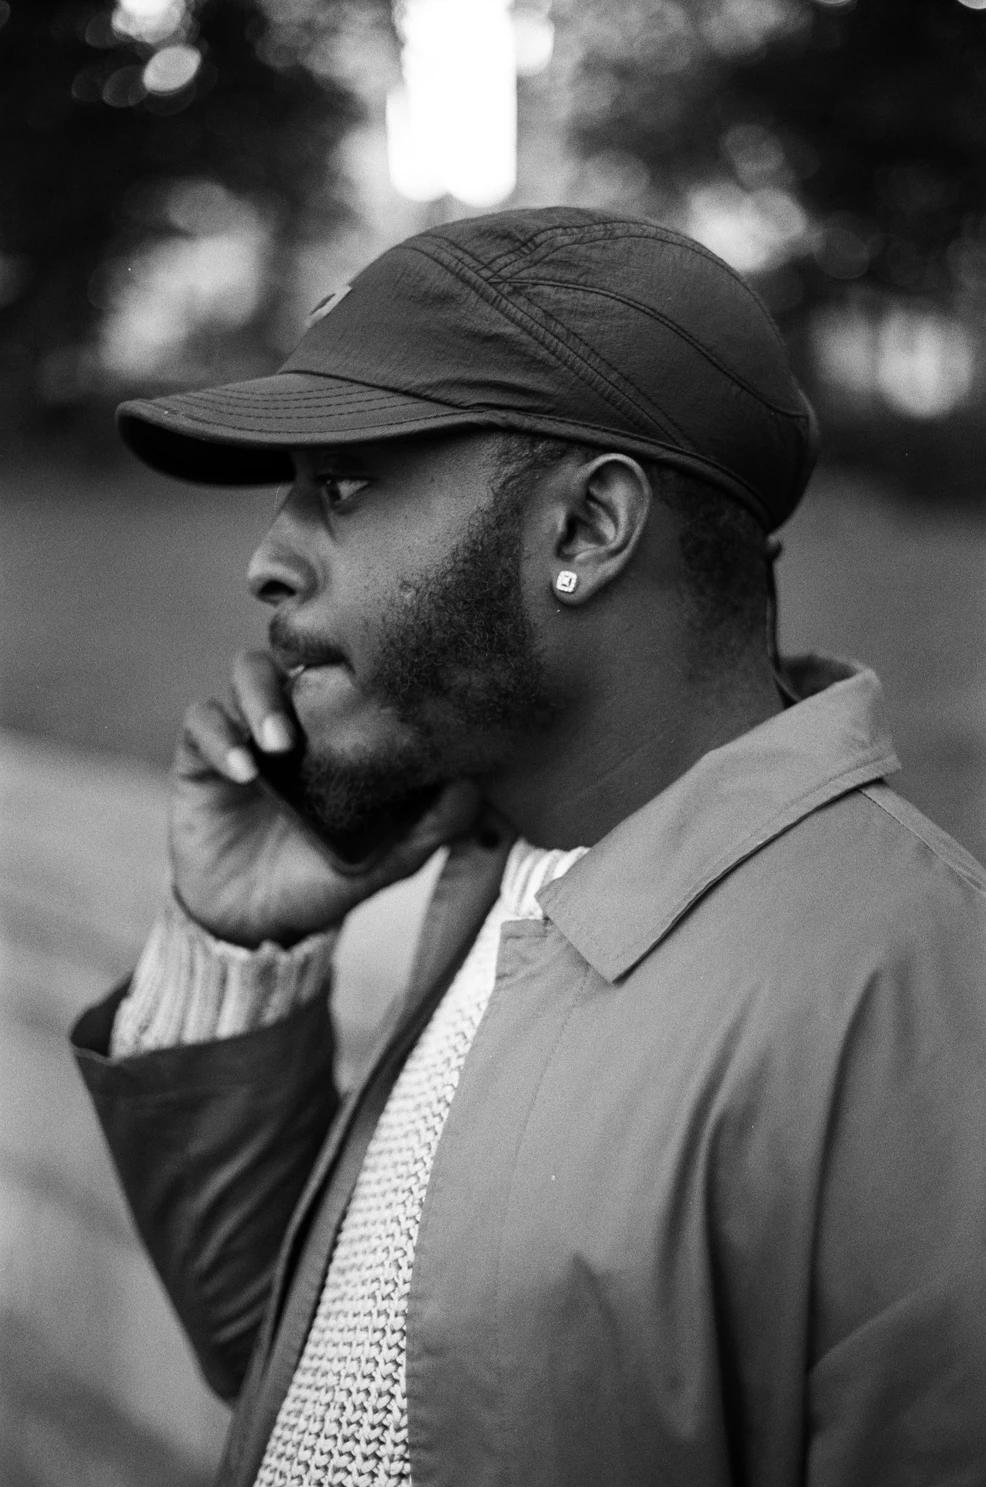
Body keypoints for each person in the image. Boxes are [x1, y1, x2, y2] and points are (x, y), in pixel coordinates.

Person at [72, 207, 986, 1487]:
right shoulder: (498, 873)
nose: (266, 562)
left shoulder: (915, 997)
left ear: (584, 528)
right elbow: (327, 1381)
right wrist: (235, 941)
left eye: (340, 487)